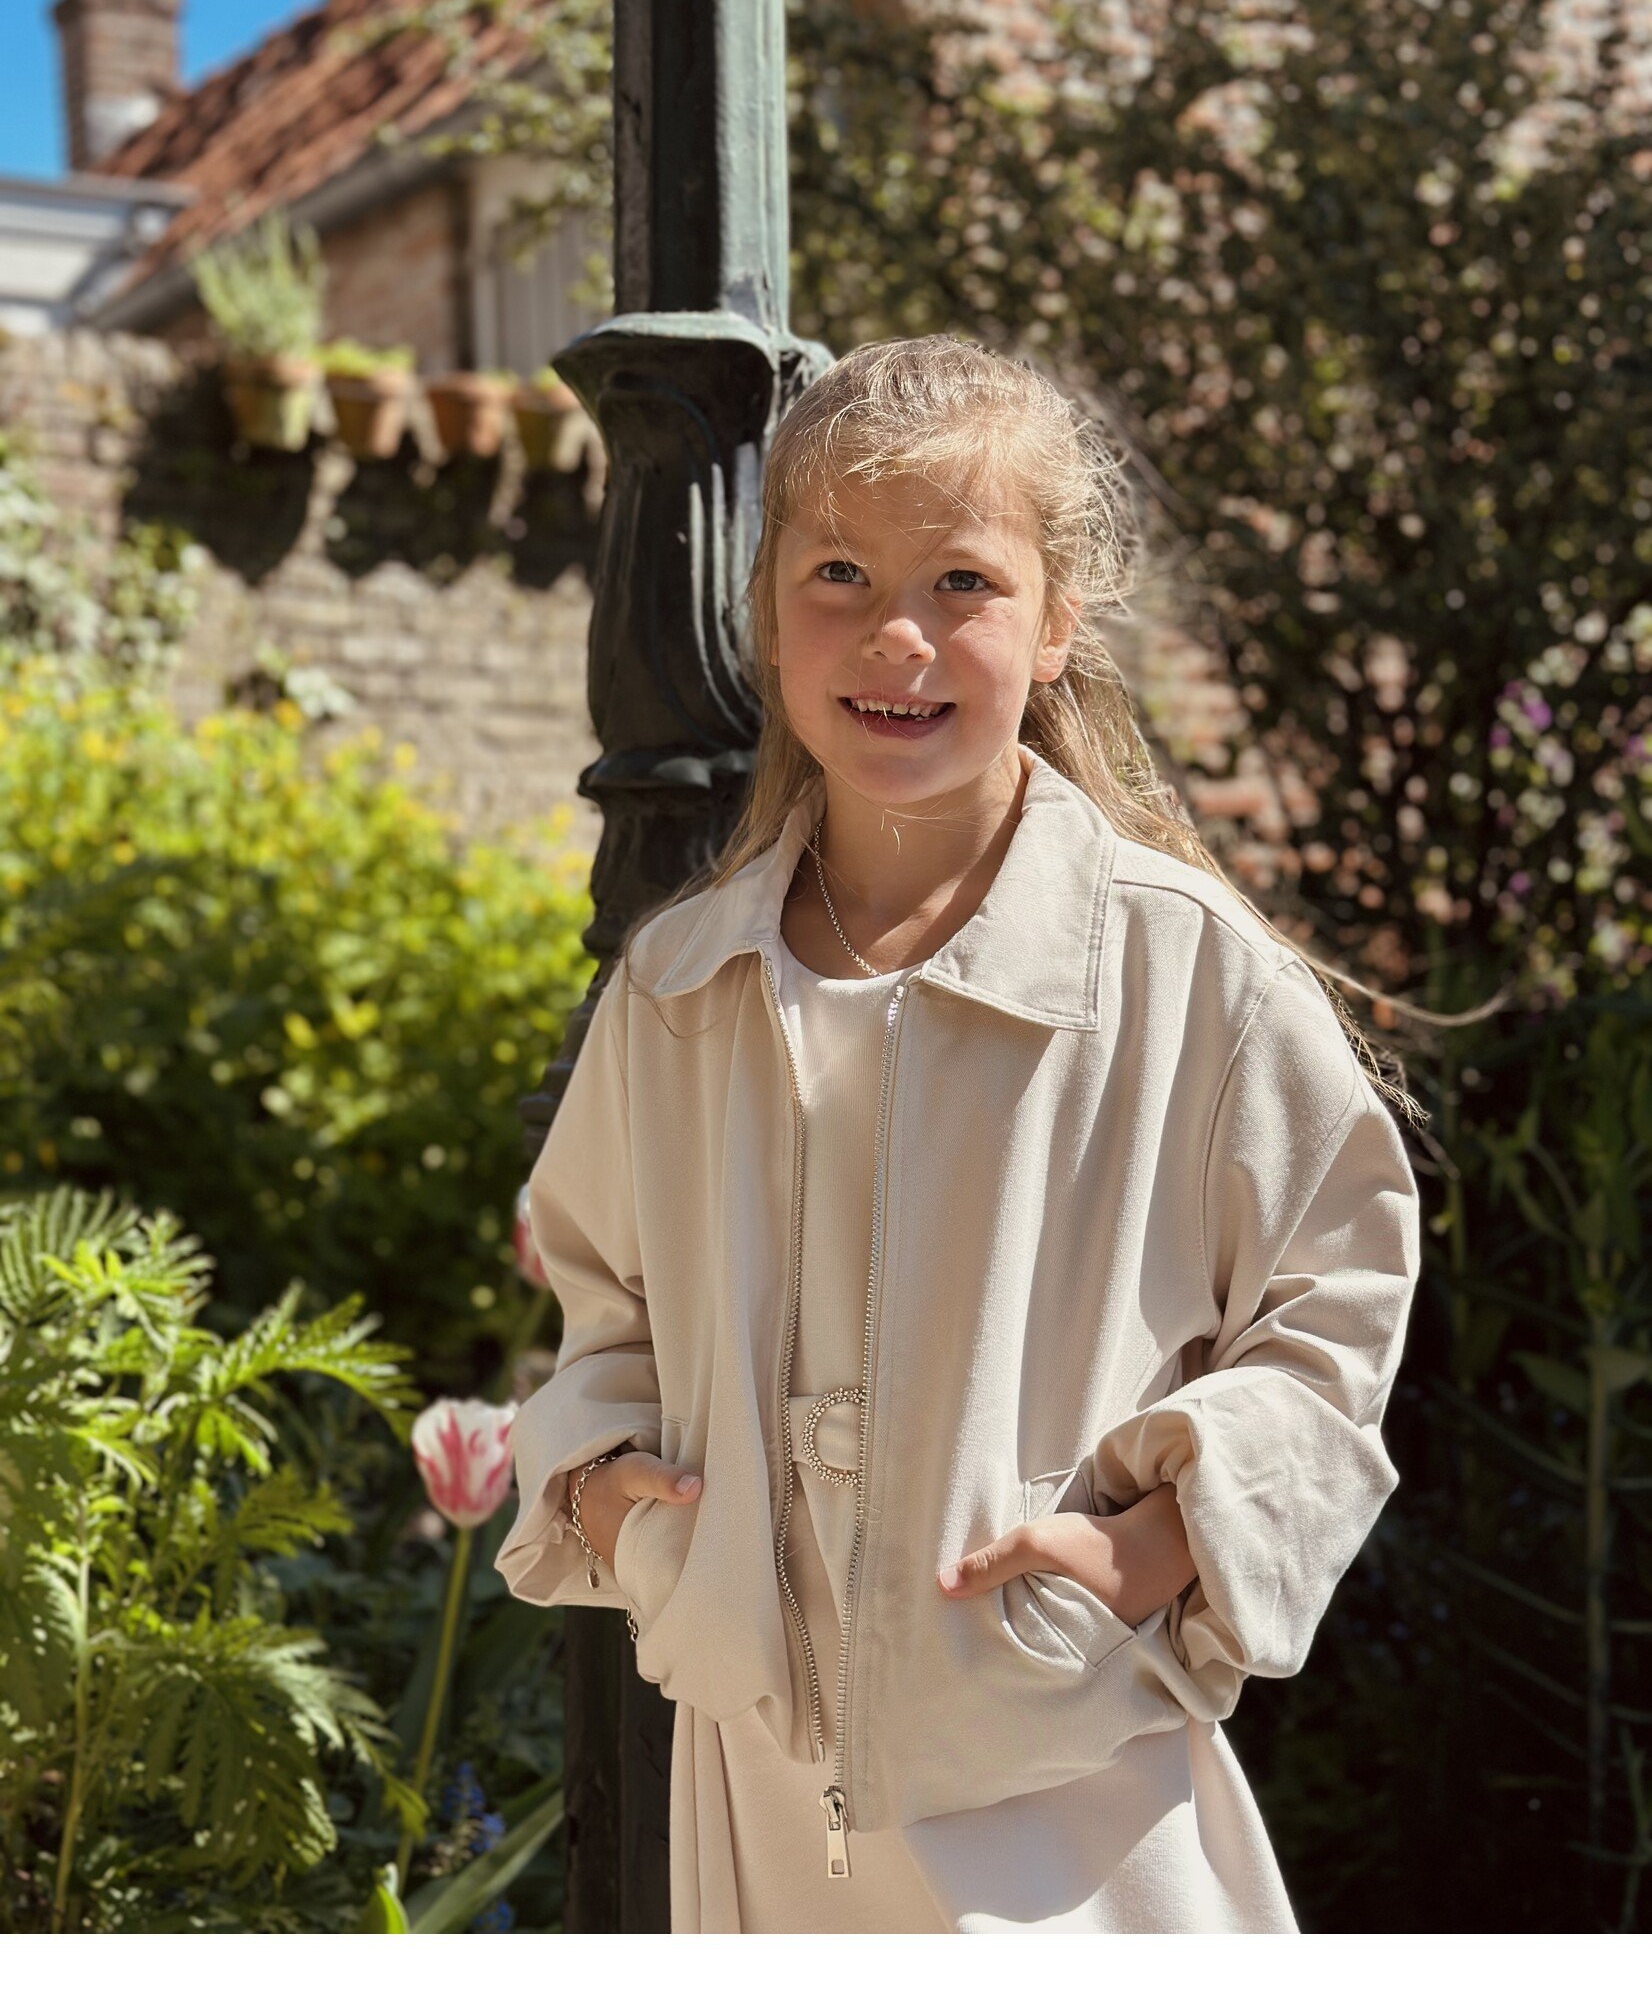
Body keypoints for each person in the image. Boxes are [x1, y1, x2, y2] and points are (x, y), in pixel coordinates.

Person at [495, 336, 1422, 1933]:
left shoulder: (1183, 971)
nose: (897, 633)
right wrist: (605, 1506)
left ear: (1059, 619)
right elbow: (599, 1300)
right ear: (769, 608)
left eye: (965, 581)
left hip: (1069, 1806)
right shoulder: (679, 990)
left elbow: (1335, 1307)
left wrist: (1154, 1548)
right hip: (760, 1807)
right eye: (840, 569)